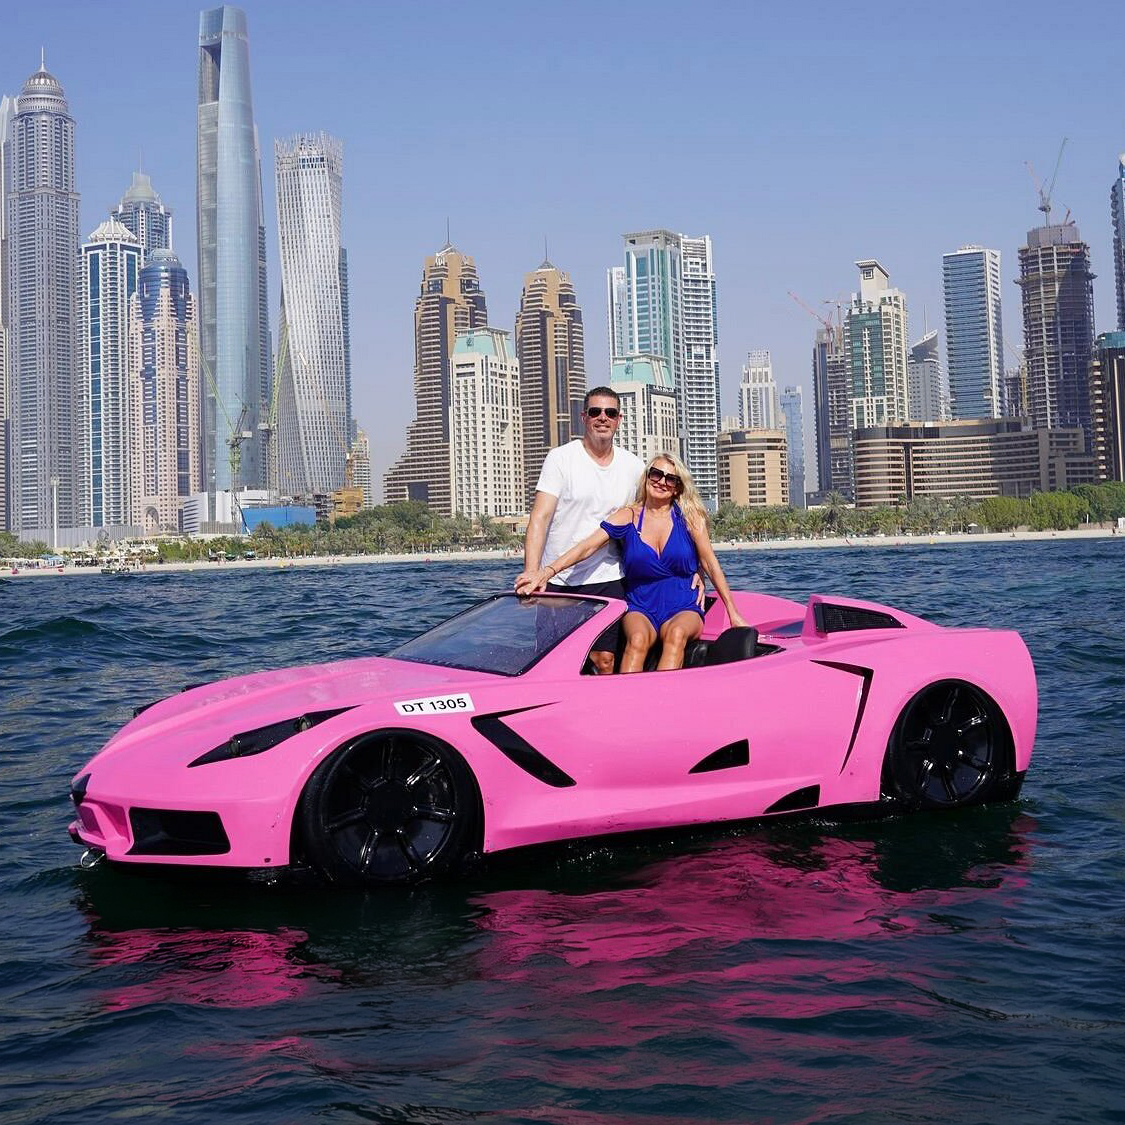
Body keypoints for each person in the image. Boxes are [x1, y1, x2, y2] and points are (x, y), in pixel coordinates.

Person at [517, 452, 748, 672]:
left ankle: (662, 696)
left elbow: (710, 563)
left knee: (676, 634)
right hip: (641, 604)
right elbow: (586, 547)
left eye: (670, 479)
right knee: (636, 639)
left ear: (678, 487)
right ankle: (625, 697)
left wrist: (733, 612)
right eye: (656, 474)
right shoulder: (627, 516)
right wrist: (546, 572)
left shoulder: (690, 518)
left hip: (683, 604)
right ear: (646, 477)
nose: (661, 482)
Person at [515, 387, 645, 674]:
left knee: (605, 660)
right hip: (558, 578)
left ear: (619, 419)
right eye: (595, 412)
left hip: (608, 577)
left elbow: (657, 518)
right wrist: (532, 572)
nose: (603, 418)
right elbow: (540, 517)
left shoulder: (634, 467)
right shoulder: (560, 458)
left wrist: (695, 572)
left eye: (610, 412)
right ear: (584, 417)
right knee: (554, 660)